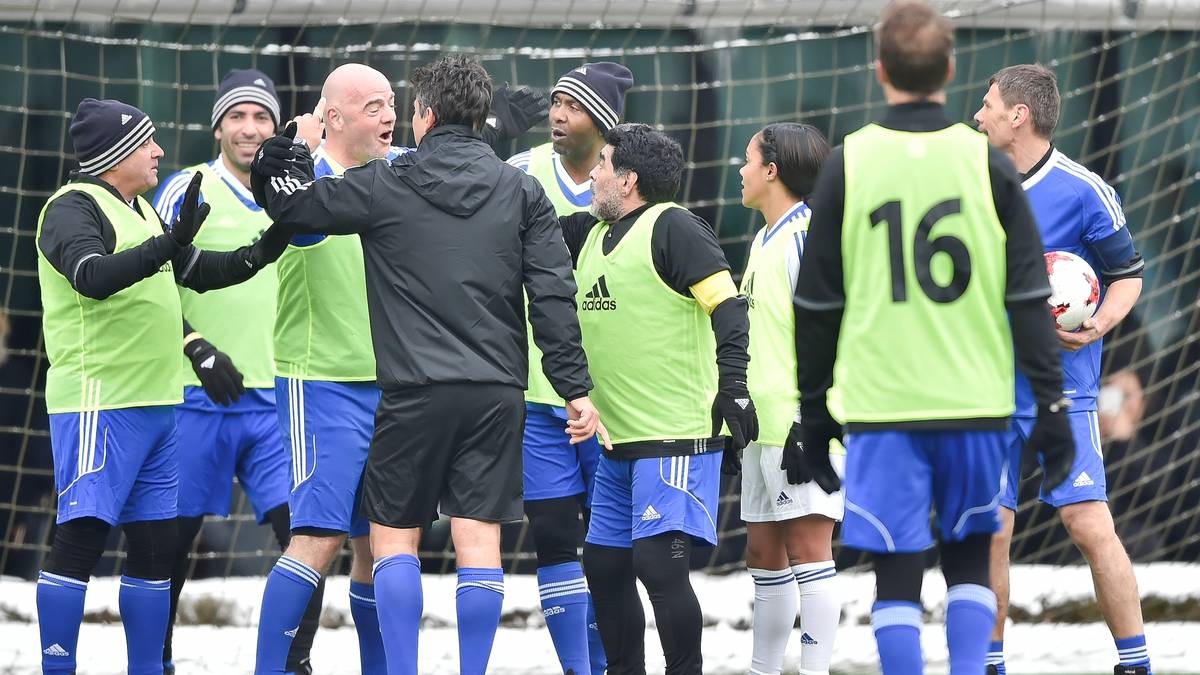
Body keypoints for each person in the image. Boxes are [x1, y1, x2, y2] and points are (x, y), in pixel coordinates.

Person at [250, 55, 607, 675]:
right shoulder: (519, 187)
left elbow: (295, 206)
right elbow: (552, 295)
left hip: (408, 389)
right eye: (374, 106)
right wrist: (574, 386)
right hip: (453, 389)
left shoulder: (390, 178)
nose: (390, 117)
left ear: (423, 115)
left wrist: (278, 158)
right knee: (463, 538)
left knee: (388, 540)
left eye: (398, 105)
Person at [789, 2, 1076, 673]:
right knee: (969, 560)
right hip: (974, 401)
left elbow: (817, 303)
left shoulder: (849, 163)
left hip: (884, 405)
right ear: (949, 70)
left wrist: (814, 408)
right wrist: (1052, 404)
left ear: (880, 70)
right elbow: (1029, 299)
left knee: (896, 570)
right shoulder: (989, 165)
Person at [34, 97, 289, 675]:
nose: (158, 151)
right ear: (115, 153)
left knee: (156, 550)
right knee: (81, 539)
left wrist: (265, 247)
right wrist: (168, 244)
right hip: (100, 403)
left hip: (158, 406)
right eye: (146, 142)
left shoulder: (144, 210)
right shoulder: (71, 207)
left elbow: (200, 270)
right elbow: (91, 276)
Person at [548, 122, 757, 675]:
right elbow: (522, 222)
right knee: (603, 565)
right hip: (618, 441)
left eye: (602, 164)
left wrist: (734, 387)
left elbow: (729, 307)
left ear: (628, 179)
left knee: (659, 567)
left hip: (675, 435)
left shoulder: (674, 227)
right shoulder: (588, 234)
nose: (592, 175)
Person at [973, 63, 1150, 675]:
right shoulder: (970, 183)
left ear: (1018, 116)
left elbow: (1127, 276)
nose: (979, 115)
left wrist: (1096, 327)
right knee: (990, 533)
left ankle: (1136, 663)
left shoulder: (1083, 191)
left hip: (1062, 391)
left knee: (1088, 524)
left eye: (988, 104)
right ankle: (990, 664)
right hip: (985, 389)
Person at [151, 68, 326, 675]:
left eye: (261, 117)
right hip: (195, 397)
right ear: (218, 127)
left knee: (305, 539)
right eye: (238, 116)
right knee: (170, 543)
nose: (250, 128)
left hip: (280, 401)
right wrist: (194, 344)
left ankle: (293, 664)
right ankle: (157, 660)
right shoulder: (186, 188)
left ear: (276, 127)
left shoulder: (305, 190)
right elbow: (147, 283)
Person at [507, 60, 633, 675]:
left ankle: (609, 662)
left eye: (573, 106)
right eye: (555, 102)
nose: (557, 114)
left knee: (611, 542)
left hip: (614, 398)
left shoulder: (631, 183)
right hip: (537, 394)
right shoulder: (520, 172)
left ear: (603, 123)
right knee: (555, 534)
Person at [736, 122, 841, 675]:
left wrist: (812, 417)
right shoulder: (763, 238)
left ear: (772, 170)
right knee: (764, 556)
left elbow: (838, 330)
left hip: (801, 427)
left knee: (809, 553)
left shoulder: (808, 236)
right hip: (762, 426)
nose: (740, 169)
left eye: (748, 159)